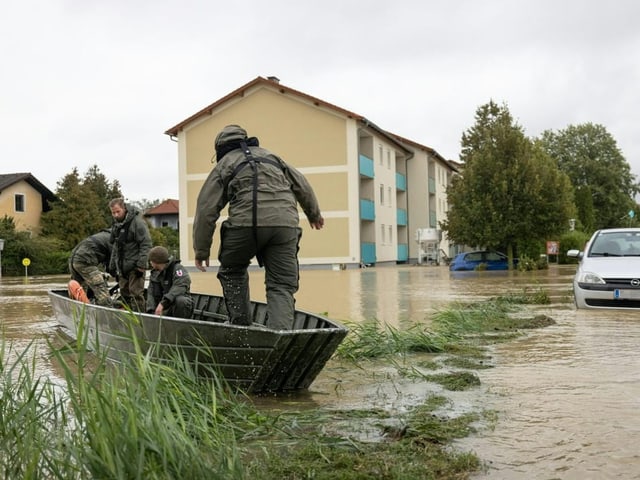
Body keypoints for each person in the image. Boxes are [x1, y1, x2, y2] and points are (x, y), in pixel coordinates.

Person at [193, 124, 324, 330]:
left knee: (232, 270)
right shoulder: (272, 156)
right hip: (285, 225)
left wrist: (201, 249)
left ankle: (241, 327)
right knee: (281, 285)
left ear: (220, 148)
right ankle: (281, 336)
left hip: (245, 225)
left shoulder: (224, 164)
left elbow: (206, 209)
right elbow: (302, 185)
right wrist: (314, 214)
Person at [108, 197, 152, 311]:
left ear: (124, 209)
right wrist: (112, 266)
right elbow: (115, 247)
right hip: (122, 267)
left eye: (118, 211)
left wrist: (142, 265)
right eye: (113, 213)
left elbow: (146, 244)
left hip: (135, 266)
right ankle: (128, 321)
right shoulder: (116, 225)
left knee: (136, 294)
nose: (116, 215)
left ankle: (141, 320)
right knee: (124, 294)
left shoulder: (137, 222)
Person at [146, 246, 194, 318]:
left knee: (181, 301)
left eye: (151, 261)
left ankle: (180, 326)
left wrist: (164, 303)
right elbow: (151, 293)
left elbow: (180, 286)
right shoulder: (154, 274)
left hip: (176, 307)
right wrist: (151, 311)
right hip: (163, 310)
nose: (150, 263)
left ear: (156, 262)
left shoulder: (177, 269)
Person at [69, 230, 114, 306]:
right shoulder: (114, 241)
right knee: (101, 290)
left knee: (81, 290)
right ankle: (107, 309)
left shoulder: (102, 235)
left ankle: (77, 308)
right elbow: (113, 264)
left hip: (73, 260)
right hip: (85, 262)